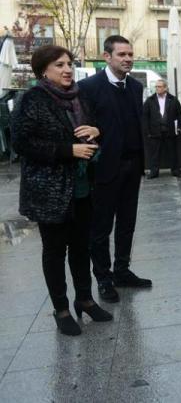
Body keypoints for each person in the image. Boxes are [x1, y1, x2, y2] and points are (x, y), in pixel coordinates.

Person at [11, 45, 113, 335]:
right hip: (50, 191)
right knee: (55, 252)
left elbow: (94, 128)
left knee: (81, 248)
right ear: (44, 70)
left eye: (69, 63)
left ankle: (85, 300)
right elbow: (22, 143)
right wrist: (67, 150)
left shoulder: (79, 96)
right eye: (59, 64)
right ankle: (61, 309)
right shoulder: (32, 99)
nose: (67, 69)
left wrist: (96, 131)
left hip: (82, 187)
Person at [78, 35, 151, 303]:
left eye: (130, 54)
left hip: (133, 165)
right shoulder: (88, 87)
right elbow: (83, 128)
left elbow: (133, 125)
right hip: (105, 167)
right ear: (107, 57)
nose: (128, 58)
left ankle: (121, 270)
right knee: (101, 227)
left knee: (127, 223)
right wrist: (100, 132)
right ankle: (104, 278)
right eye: (122, 54)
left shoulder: (135, 86)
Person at [143, 79, 181, 179]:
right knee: (154, 154)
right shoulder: (150, 100)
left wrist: (178, 128)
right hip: (155, 131)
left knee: (173, 153)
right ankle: (154, 172)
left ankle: (175, 171)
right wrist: (147, 131)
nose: (157, 88)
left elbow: (179, 115)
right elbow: (145, 116)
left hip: (170, 131)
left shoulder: (173, 99)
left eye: (159, 86)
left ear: (165, 88)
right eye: (156, 87)